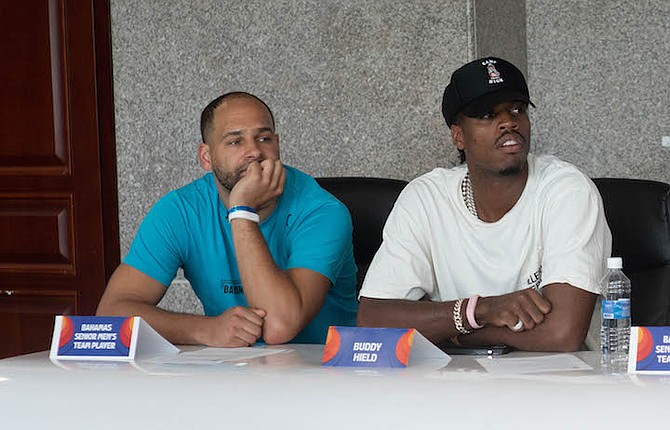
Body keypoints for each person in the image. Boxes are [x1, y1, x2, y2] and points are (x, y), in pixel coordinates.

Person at [357, 57, 612, 352]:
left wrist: (455, 334)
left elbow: (562, 333)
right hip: (459, 384)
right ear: (458, 136)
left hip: (561, 384)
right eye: (488, 115)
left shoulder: (566, 191)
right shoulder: (426, 197)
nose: (509, 122)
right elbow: (372, 319)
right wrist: (480, 311)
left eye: (517, 110)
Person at [97, 91, 357, 346]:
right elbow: (110, 314)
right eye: (235, 141)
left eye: (264, 138)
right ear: (206, 157)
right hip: (228, 373)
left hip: (321, 376)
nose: (254, 151)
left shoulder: (322, 211)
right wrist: (204, 329)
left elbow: (279, 327)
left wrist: (242, 211)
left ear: (277, 144)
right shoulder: (181, 211)